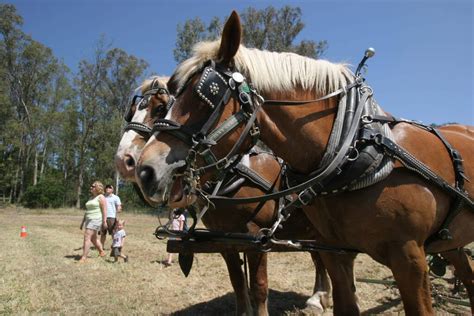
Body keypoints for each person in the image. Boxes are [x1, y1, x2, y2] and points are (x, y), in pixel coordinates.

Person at [79, 181, 107, 263]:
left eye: (93, 186)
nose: (91, 187)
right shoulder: (91, 198)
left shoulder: (101, 197)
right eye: (91, 186)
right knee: (93, 238)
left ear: (98, 188)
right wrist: (82, 222)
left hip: (96, 219)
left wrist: (104, 221)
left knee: (87, 237)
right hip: (88, 219)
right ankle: (102, 252)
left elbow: (104, 210)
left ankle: (84, 257)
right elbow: (87, 211)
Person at [100, 184, 122, 248]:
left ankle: (115, 245)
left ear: (112, 190)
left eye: (110, 187)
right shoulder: (102, 197)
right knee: (102, 233)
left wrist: (119, 209)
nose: (108, 188)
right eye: (107, 187)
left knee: (113, 233)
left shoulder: (116, 197)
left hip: (111, 217)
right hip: (103, 217)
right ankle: (101, 247)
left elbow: (119, 206)